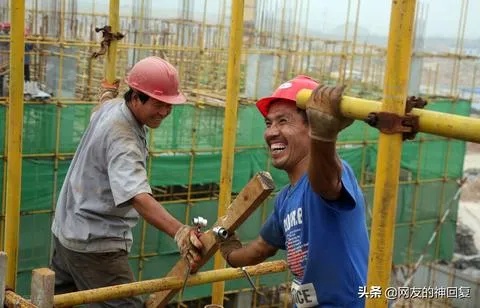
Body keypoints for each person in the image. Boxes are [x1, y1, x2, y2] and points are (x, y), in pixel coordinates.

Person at [51, 56, 203, 307]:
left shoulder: (112, 108)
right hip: (95, 245)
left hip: (67, 231)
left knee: (57, 301)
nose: (164, 112)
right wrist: (180, 232)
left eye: (169, 105)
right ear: (135, 97)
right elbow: (138, 196)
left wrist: (105, 93)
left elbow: (100, 109)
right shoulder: (124, 140)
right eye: (158, 103)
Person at [219, 75, 369, 307]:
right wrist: (228, 250)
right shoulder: (285, 200)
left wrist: (324, 136)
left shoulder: (333, 175)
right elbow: (261, 248)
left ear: (312, 126)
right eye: (269, 124)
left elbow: (326, 183)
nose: (271, 133)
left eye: (283, 121)